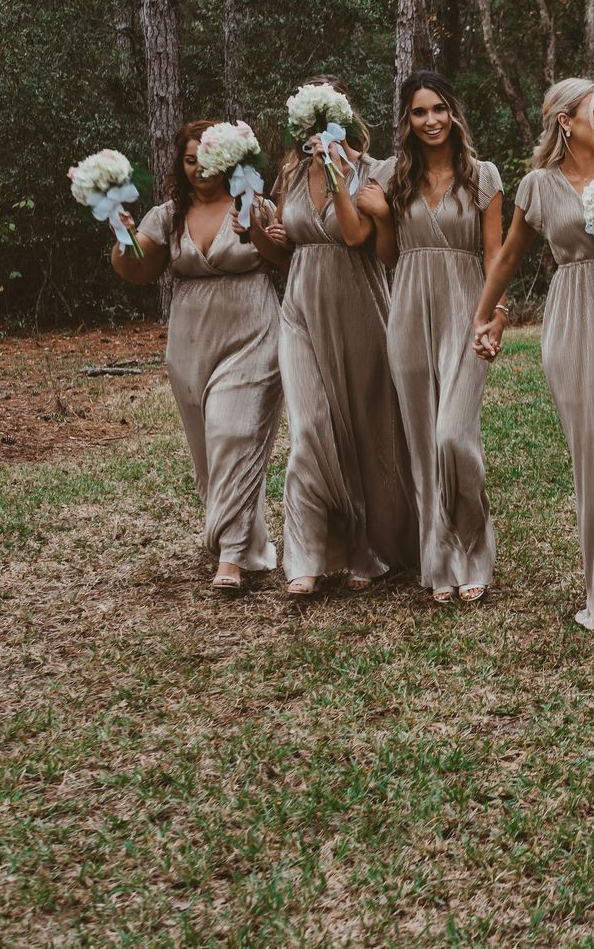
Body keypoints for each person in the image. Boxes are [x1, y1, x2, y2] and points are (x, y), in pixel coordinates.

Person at [472, 79, 594, 632]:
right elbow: (507, 259)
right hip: (574, 315)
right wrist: (485, 317)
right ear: (564, 122)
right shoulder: (538, 185)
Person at [112, 120, 284, 592]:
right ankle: (245, 542)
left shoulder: (256, 202)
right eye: (191, 161)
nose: (199, 170)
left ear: (229, 161)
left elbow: (285, 259)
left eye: (208, 161)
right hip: (190, 342)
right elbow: (139, 272)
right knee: (210, 450)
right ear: (179, 164)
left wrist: (253, 227)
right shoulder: (167, 215)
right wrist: (122, 236)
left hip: (252, 330)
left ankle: (228, 556)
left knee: (236, 432)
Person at [354, 70, 502, 604]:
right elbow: (390, 256)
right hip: (409, 312)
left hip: (468, 311)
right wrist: (380, 217)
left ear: (453, 112)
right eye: (419, 112)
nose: (431, 120)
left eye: (438, 109)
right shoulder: (395, 176)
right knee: (422, 443)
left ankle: (475, 551)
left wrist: (496, 315)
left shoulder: (482, 176)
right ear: (407, 120)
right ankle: (440, 561)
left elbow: (495, 257)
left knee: (453, 436)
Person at [266, 76, 417, 596]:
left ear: (344, 117)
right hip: (301, 306)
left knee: (368, 426)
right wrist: (268, 238)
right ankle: (305, 553)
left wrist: (335, 171)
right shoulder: (289, 172)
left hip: (362, 305)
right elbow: (287, 250)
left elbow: (358, 237)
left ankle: (370, 546)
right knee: (308, 424)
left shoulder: (377, 173)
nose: (313, 130)